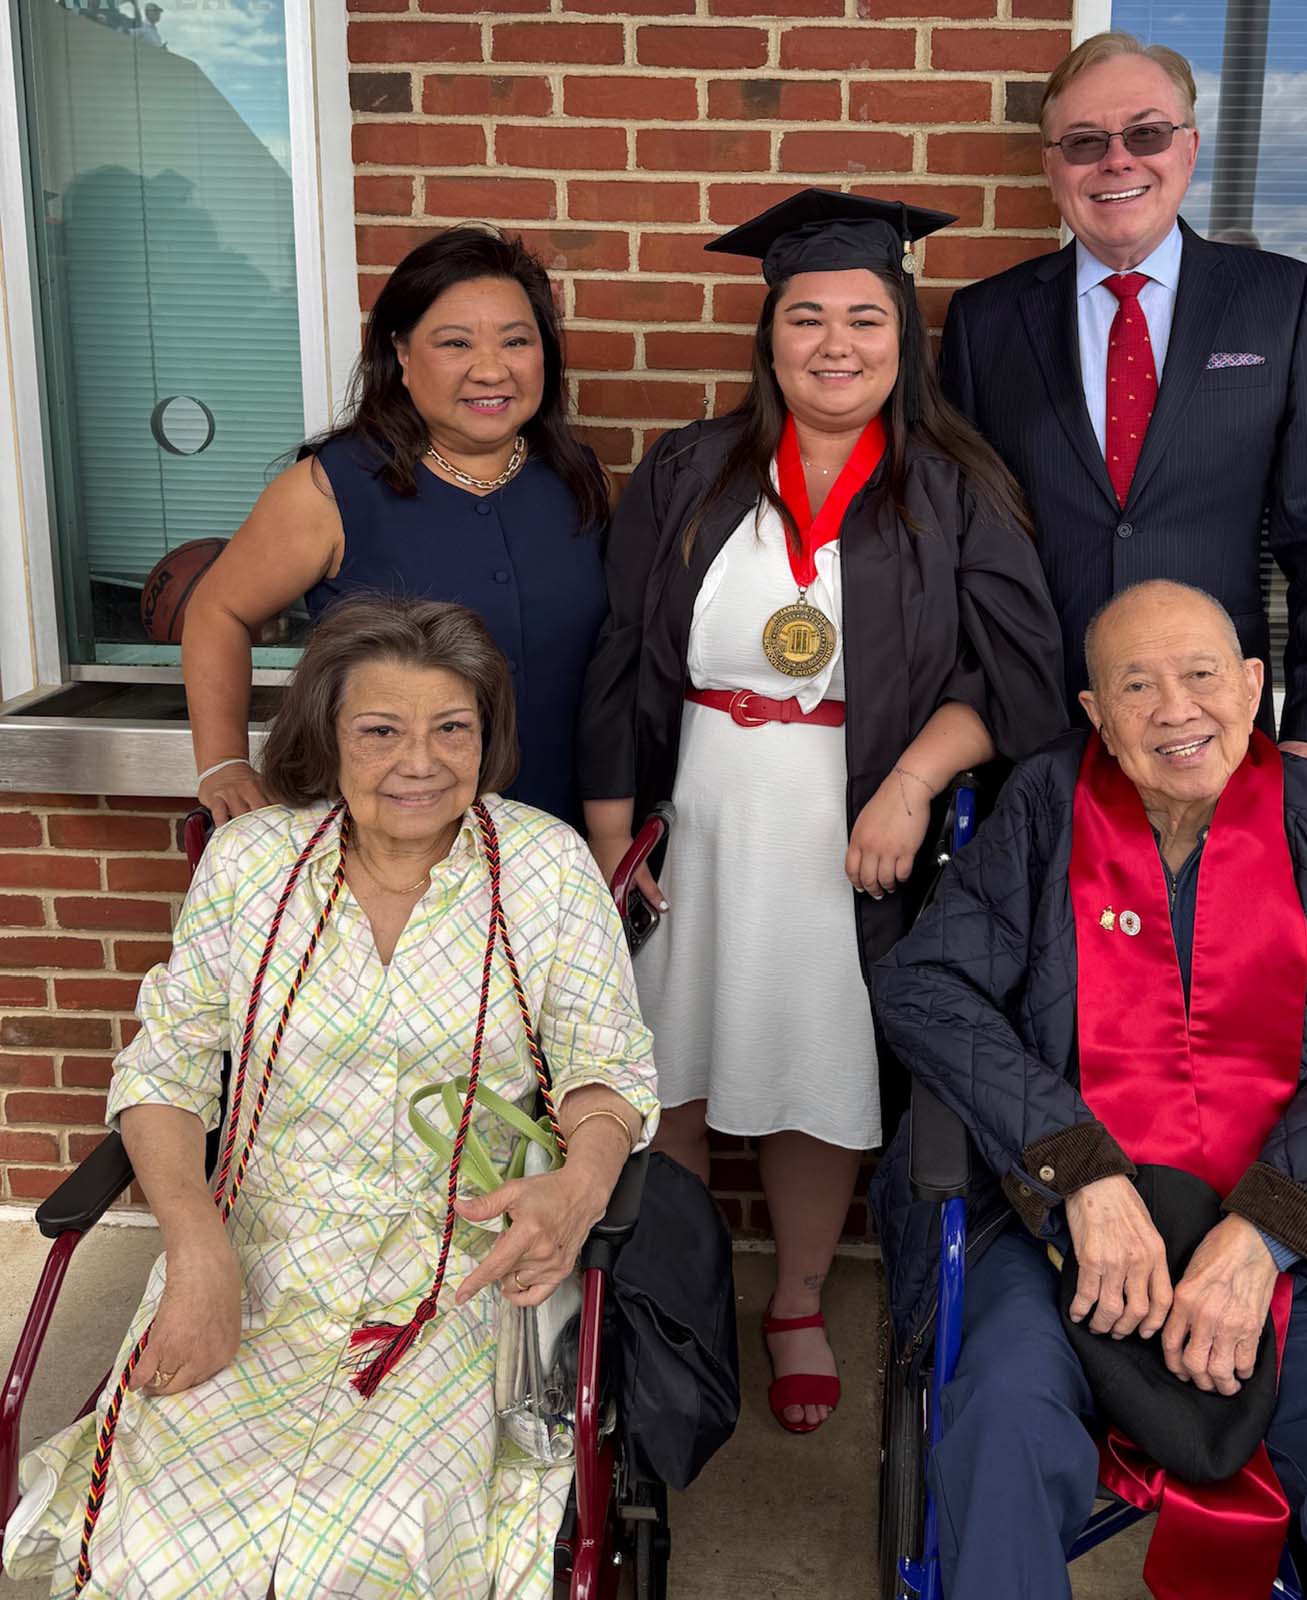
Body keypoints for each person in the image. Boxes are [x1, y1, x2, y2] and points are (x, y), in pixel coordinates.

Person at [6, 597, 658, 1598]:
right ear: (327, 736)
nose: (421, 760)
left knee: (384, 1534)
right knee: (166, 1536)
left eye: (452, 728)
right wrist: (194, 1245)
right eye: (380, 730)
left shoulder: (542, 865)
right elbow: (165, 1071)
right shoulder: (255, 863)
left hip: (464, 1260)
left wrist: (580, 1184)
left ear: (488, 739)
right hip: (258, 1248)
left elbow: (603, 1063)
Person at [871, 579, 1307, 1600]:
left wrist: (1265, 1228)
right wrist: (1077, 1167)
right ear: (1094, 714)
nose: (1175, 708)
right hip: (1054, 1244)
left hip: (1280, 1260)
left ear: (1251, 688)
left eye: (1201, 674)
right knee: (1000, 1431)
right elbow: (927, 988)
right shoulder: (1043, 806)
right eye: (1136, 684)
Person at [583, 188, 1068, 1434]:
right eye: (807, 317)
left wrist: (913, 779)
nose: (834, 343)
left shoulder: (952, 481)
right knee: (670, 1065)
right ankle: (679, 1296)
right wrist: (606, 837)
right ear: (769, 334)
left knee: (818, 1067)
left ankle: (797, 1297)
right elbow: (622, 653)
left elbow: (1014, 678)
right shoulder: (691, 469)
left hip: (849, 827)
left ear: (902, 338)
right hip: (702, 808)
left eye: (864, 316)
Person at [940, 31, 1307, 773]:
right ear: (1052, 167)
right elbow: (951, 549)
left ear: (1189, 148)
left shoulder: (1281, 300)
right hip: (1034, 733)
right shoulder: (985, 322)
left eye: (1145, 133)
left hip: (1214, 734)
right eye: (1084, 142)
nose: (1118, 159)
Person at [183, 227, 611, 829]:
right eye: (455, 343)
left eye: (516, 340)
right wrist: (222, 762)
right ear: (403, 355)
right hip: (385, 837)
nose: (491, 370)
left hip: (555, 837)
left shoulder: (579, 481)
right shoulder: (330, 490)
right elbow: (217, 610)